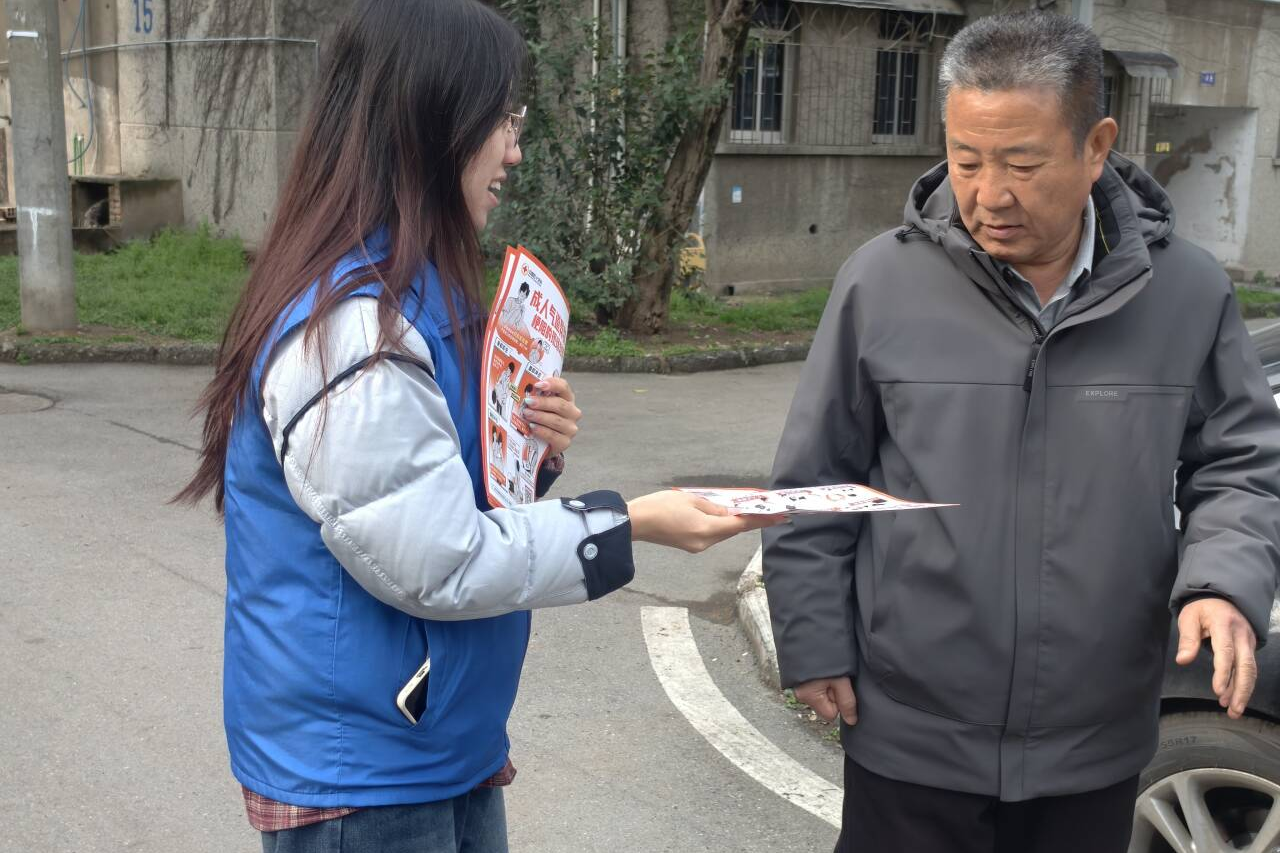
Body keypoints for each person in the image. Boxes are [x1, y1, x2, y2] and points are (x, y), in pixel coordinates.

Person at [176, 1, 779, 850]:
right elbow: (439, 558)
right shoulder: (353, 329)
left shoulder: (416, 287)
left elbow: (439, 489)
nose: (514, 150)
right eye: (500, 120)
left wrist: (529, 447)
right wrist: (631, 522)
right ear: (428, 121)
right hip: (364, 776)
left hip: (435, 743)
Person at [763, 12, 1280, 853]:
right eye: (966, 160)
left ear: (1096, 145)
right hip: (911, 732)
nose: (990, 194)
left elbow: (1240, 465)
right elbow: (816, 481)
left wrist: (1223, 582)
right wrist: (813, 637)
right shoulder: (881, 282)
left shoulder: (1186, 293)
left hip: (1095, 738)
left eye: (1023, 164)